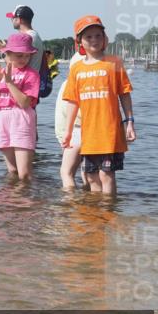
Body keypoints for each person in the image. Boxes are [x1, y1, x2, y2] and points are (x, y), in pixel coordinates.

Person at [62, 15, 135, 196]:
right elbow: (73, 101)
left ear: (105, 39)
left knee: (106, 175)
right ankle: (96, 218)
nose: (94, 40)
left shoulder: (114, 63)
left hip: (109, 131)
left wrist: (130, 122)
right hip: (89, 134)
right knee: (91, 176)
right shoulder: (77, 69)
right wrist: (68, 131)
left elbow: (124, 94)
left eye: (98, 35)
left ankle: (108, 214)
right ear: (79, 41)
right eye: (88, 37)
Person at [0, 32, 40, 181]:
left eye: (27, 55)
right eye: (19, 55)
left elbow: (24, 103)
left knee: (24, 173)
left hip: (21, 119)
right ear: (8, 54)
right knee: (12, 171)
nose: (24, 59)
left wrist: (9, 83)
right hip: (4, 119)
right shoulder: (3, 73)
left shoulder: (32, 74)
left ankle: (28, 201)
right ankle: (13, 202)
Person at [55, 54, 88, 190]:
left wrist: (63, 138)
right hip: (93, 133)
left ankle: (70, 204)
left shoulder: (67, 85)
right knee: (88, 174)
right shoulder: (93, 85)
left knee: (66, 173)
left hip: (75, 133)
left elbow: (61, 115)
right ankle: (91, 204)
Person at [0, 5, 44, 73]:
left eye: (13, 18)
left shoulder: (28, 37)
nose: (11, 20)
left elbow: (15, 65)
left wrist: (1, 50)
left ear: (19, 20)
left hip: (25, 81)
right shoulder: (34, 35)